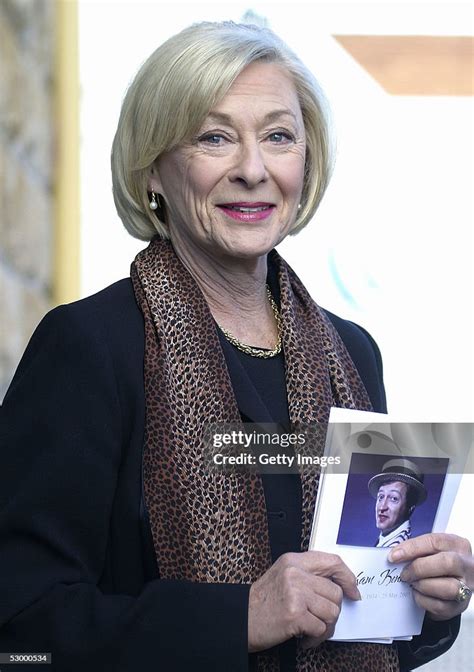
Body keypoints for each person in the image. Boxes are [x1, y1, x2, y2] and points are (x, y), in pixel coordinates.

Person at [0, 20, 472, 672]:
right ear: (154, 171)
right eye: (214, 137)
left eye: (279, 136)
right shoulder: (88, 348)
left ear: (306, 166)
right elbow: (20, 633)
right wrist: (238, 618)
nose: (252, 169)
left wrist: (429, 603)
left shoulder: (353, 353)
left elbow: (369, 611)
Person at [368, 458, 427, 547]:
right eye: (381, 497)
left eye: (394, 498)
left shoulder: (396, 547)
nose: (382, 507)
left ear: (410, 508)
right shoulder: (386, 539)